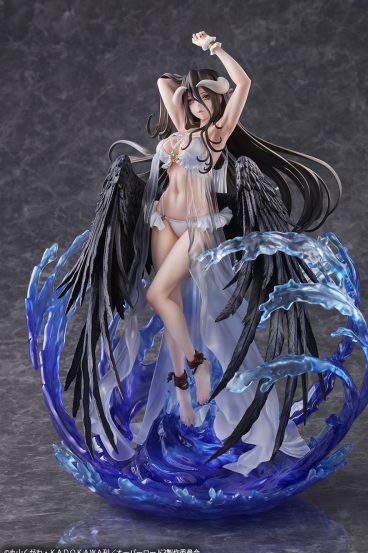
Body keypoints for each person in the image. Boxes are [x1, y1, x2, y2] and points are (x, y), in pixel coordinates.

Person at [55, 31, 342, 476]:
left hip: (199, 229)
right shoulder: (181, 130)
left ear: (217, 103)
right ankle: (183, 394)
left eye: (207, 98)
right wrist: (187, 86)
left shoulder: (217, 135)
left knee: (158, 296)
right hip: (162, 223)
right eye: (195, 98)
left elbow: (243, 83)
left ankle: (198, 364)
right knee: (169, 305)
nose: (198, 104)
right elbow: (162, 82)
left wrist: (215, 51)